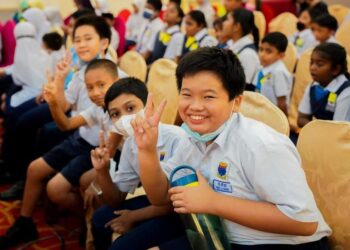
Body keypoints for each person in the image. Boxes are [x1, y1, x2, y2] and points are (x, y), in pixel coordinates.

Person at [131, 47, 332, 249]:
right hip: (219, 231)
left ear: (236, 102)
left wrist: (213, 202)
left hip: (279, 242)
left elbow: (304, 222)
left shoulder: (261, 144)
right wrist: (147, 150)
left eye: (208, 97)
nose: (194, 106)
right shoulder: (190, 138)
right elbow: (160, 197)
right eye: (187, 94)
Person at [0, 15, 118, 249]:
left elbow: (116, 131)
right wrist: (58, 84)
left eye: (88, 38)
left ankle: (95, 217)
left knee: (56, 189)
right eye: (77, 39)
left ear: (104, 43)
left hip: (100, 148)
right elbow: (64, 111)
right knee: (34, 169)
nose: (81, 44)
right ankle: (25, 224)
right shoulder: (80, 73)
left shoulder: (117, 79)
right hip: (80, 137)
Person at [91, 77, 187, 250]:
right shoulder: (130, 144)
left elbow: (178, 202)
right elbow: (116, 199)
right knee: (99, 218)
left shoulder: (177, 138)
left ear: (148, 106)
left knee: (120, 247)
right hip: (154, 203)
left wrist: (134, 216)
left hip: (179, 213)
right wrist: (102, 170)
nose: (124, 118)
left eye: (130, 108)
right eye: (115, 114)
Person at [298, 43, 350, 128]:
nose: (312, 67)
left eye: (319, 64)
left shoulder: (346, 92)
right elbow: (301, 119)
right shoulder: (313, 86)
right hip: (318, 134)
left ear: (335, 69)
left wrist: (313, 127)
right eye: (311, 62)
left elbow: (338, 129)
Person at [253, 32, 292, 116]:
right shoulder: (261, 67)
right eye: (261, 49)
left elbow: (281, 102)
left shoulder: (279, 72)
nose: (262, 54)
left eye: (269, 51)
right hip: (259, 110)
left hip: (273, 116)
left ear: (281, 56)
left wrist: (284, 122)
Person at [223, 8, 260, 85]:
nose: (223, 23)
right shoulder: (229, 45)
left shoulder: (248, 54)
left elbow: (243, 87)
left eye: (227, 20)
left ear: (236, 26)